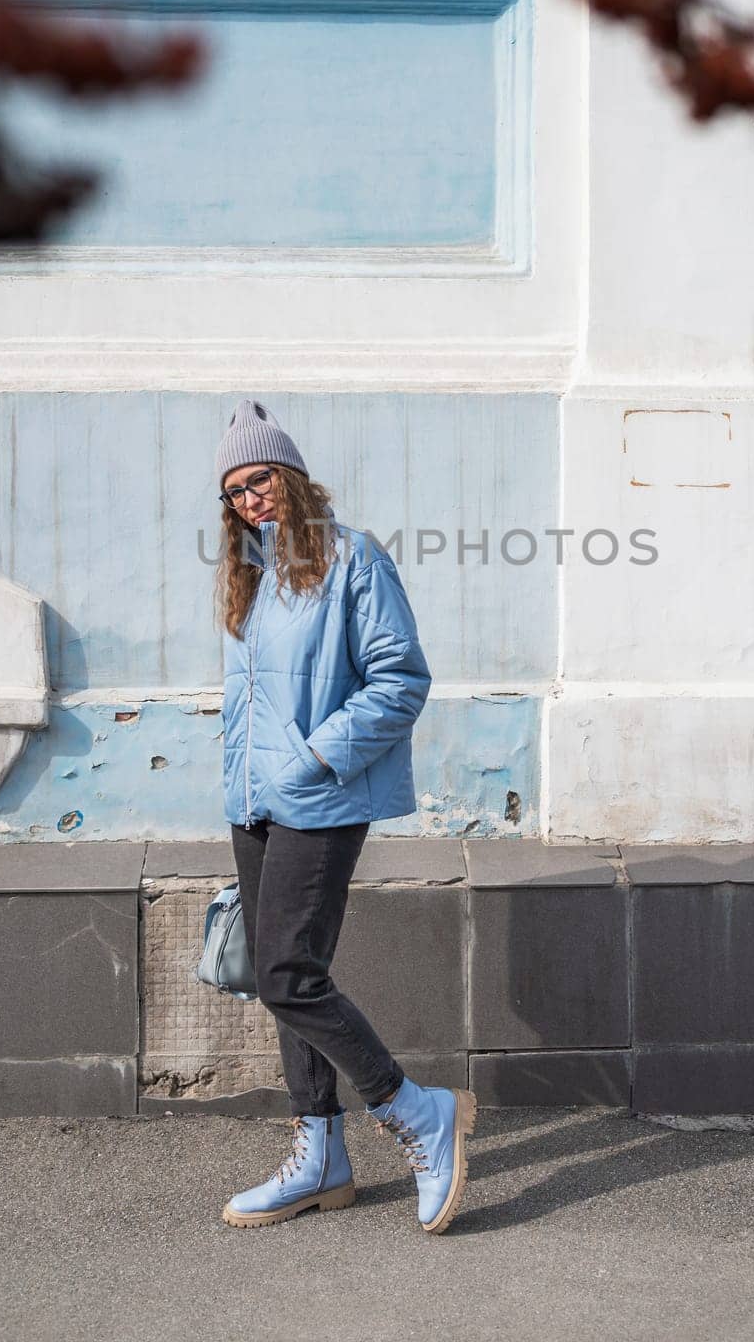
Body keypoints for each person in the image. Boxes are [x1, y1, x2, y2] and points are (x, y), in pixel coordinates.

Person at [212, 397, 476, 1234]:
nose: (250, 499)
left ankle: (416, 1110)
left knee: (289, 973)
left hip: (321, 796)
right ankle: (320, 1150)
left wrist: (316, 757)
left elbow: (401, 680)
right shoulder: (248, 577)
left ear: (291, 476)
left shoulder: (354, 560)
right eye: (233, 492)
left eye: (260, 480)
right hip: (254, 802)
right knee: (280, 975)